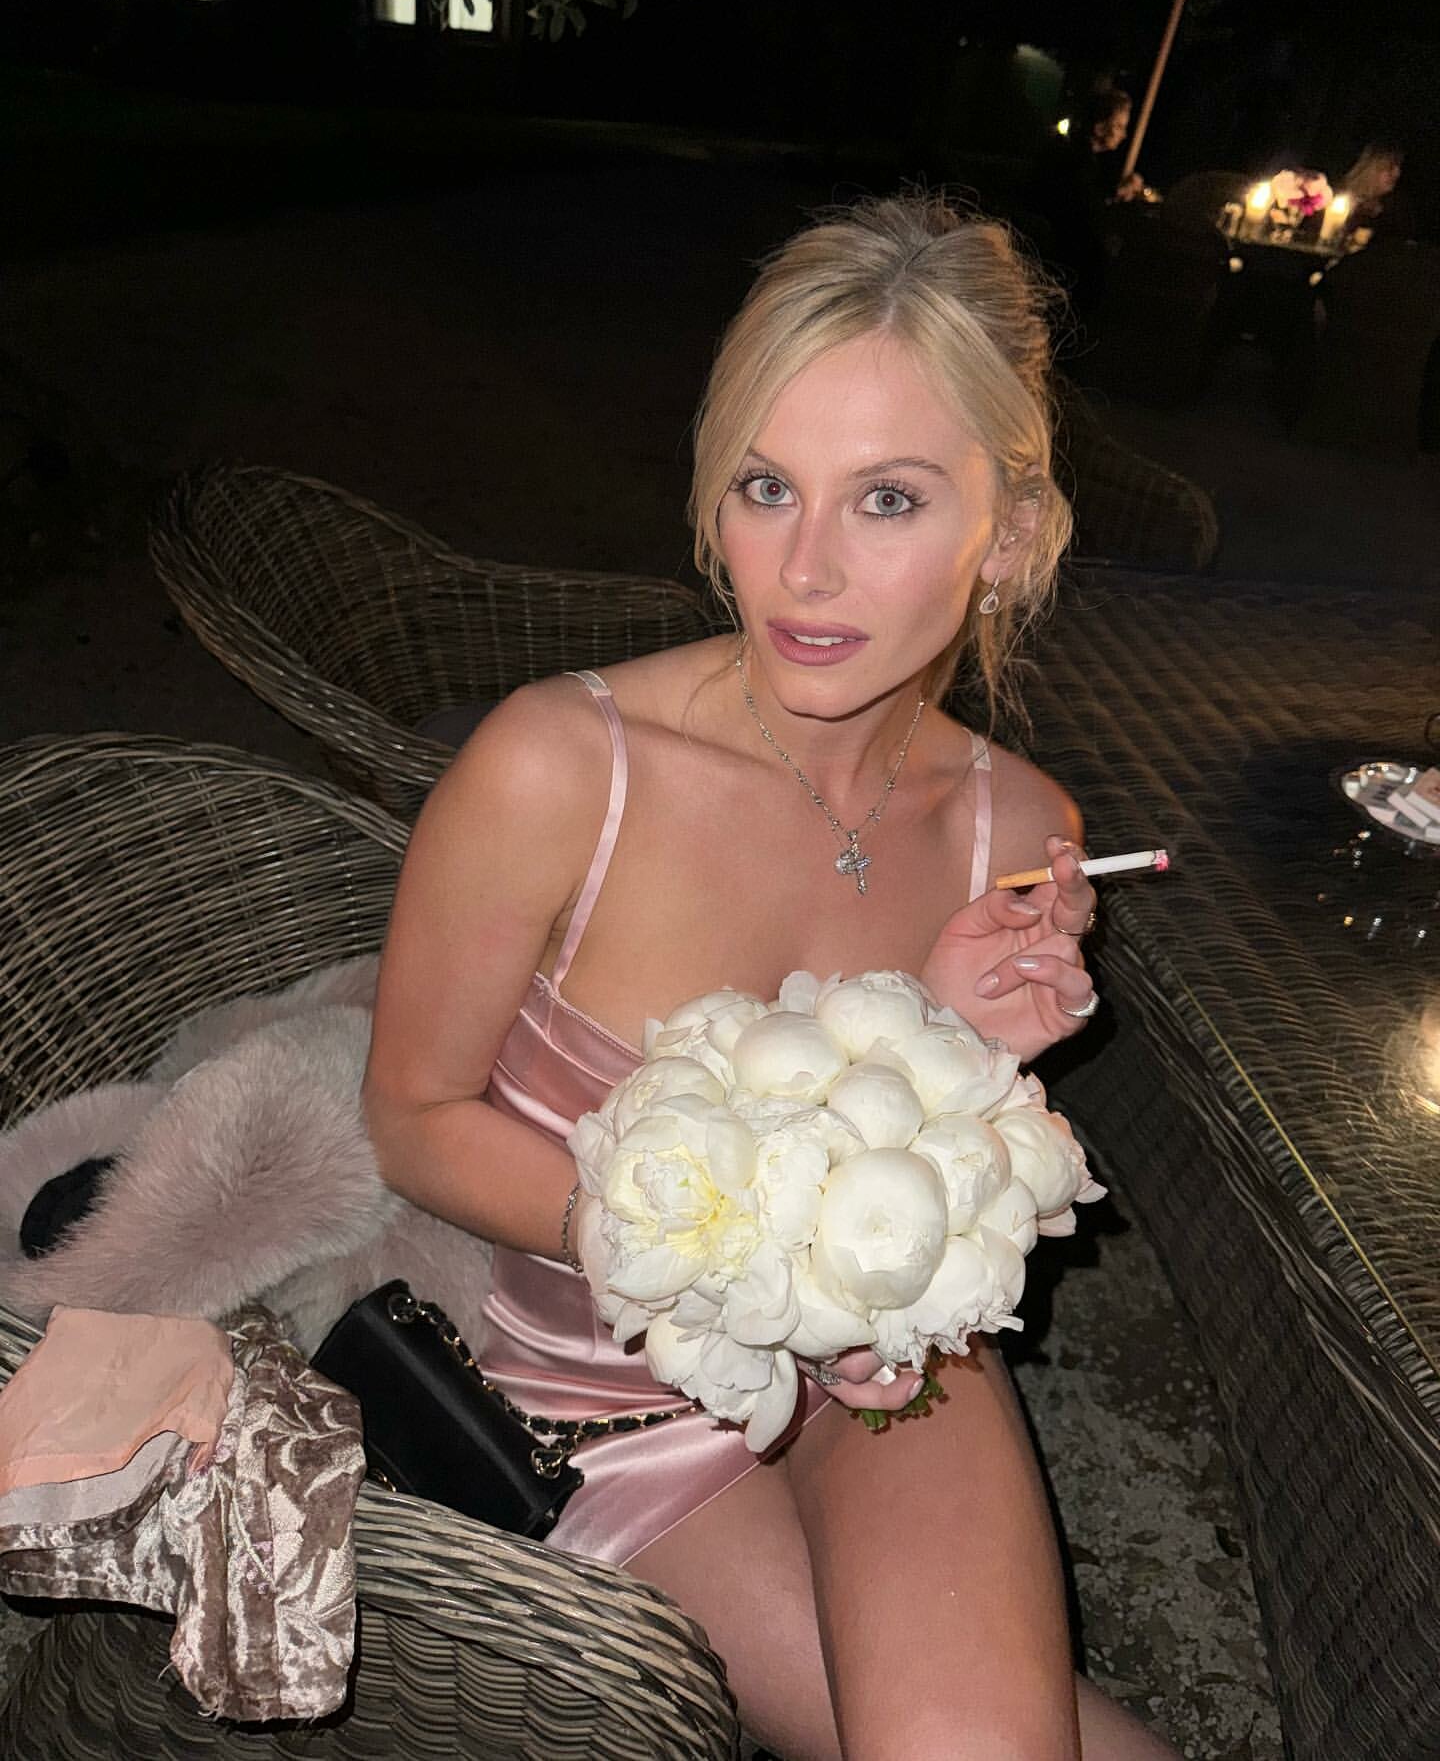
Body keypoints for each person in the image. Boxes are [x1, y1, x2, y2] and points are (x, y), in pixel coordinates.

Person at [363, 195, 1178, 1760]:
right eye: (766, 486)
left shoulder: (1020, 831)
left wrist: (963, 1049)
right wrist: (751, 1260)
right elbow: (409, 1115)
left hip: (881, 1361)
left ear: (1008, 534)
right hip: (593, 1397)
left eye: (887, 499)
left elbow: (926, 1189)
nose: (804, 570)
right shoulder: (560, 767)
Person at [1029, 87, 1144, 313]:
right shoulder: (1075, 162)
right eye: (1119, 126)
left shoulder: (1082, 160)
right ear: (1099, 126)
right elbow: (1083, 212)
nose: (1123, 135)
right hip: (1062, 261)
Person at [1337, 142, 1413, 245]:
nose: (1397, 173)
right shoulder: (1339, 200)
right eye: (1389, 167)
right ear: (1371, 169)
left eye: (1399, 167)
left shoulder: (1396, 207)